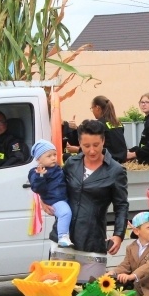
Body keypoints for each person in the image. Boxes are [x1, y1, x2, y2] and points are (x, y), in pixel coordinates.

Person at [45, 119, 129, 281]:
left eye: (96, 145)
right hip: (64, 237)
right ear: (80, 143)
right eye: (86, 146)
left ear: (103, 141)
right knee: (67, 295)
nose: (91, 150)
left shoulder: (116, 171)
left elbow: (121, 206)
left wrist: (118, 235)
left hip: (92, 240)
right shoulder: (71, 163)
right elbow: (56, 186)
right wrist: (44, 199)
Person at [28, 140, 72, 248]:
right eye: (49, 156)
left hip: (61, 198)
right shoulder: (36, 172)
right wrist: (41, 176)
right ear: (39, 159)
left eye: (54, 155)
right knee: (65, 213)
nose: (53, 158)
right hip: (54, 200)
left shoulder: (57, 168)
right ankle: (62, 237)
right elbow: (37, 188)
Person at [66, 96, 128, 163]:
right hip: (121, 160)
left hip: (107, 161)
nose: (92, 111)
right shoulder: (118, 123)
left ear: (97, 108)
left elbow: (93, 145)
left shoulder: (99, 125)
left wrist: (78, 150)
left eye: (92, 108)